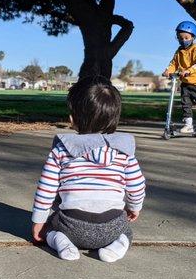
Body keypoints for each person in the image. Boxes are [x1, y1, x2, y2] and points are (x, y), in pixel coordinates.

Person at [31, 76, 146, 262]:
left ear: (72, 118)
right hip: (112, 226)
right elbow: (137, 185)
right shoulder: (124, 152)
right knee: (127, 232)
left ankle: (61, 241)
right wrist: (134, 207)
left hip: (70, 225)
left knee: (51, 228)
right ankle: (116, 247)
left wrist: (39, 221)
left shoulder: (62, 149)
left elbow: (46, 189)